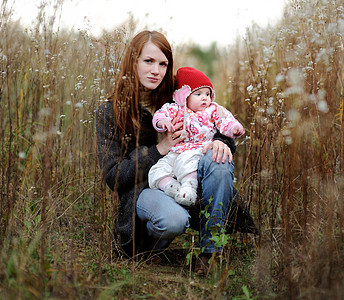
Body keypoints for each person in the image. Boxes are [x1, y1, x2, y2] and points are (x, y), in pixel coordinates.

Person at [95, 30, 255, 274]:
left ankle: (209, 253)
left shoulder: (176, 95)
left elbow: (213, 113)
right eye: (148, 61)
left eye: (163, 63)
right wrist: (161, 148)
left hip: (188, 172)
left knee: (218, 160)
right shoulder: (111, 111)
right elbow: (114, 177)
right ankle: (145, 247)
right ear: (132, 61)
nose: (155, 70)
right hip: (145, 189)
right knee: (174, 220)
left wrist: (223, 139)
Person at [148, 67, 245, 207]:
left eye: (207, 93)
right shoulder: (175, 108)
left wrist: (233, 128)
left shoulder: (212, 110)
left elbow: (225, 120)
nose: (204, 98)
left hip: (197, 150)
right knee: (157, 170)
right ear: (184, 96)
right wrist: (162, 122)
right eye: (198, 94)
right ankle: (172, 188)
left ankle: (189, 190)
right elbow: (160, 114)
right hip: (175, 151)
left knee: (188, 166)